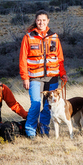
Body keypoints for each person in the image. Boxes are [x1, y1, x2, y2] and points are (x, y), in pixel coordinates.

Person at [19, 10, 67, 138]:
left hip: (52, 77)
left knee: (48, 106)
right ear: (35, 21)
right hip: (34, 77)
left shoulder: (54, 36)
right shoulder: (28, 37)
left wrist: (63, 73)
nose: (41, 22)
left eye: (44, 20)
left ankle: (44, 130)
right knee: (35, 103)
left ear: (48, 21)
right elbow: (23, 59)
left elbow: (59, 57)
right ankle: (30, 131)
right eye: (39, 20)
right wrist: (25, 77)